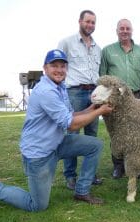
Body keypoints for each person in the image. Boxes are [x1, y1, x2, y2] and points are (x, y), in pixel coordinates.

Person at [0, 49, 113, 211]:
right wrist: (100, 112)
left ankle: (81, 192)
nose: (59, 70)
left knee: (95, 145)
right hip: (39, 154)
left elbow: (71, 115)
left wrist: (92, 107)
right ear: (45, 68)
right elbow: (71, 124)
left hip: (57, 144)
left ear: (66, 69)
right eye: (54, 66)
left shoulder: (60, 87)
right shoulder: (46, 91)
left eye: (62, 66)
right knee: (37, 206)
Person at [99, 19, 140, 179]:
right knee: (117, 133)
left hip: (136, 96)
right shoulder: (107, 51)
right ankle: (118, 165)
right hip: (115, 99)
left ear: (132, 31)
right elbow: (103, 76)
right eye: (121, 28)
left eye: (127, 28)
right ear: (116, 31)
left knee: (139, 132)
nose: (124, 31)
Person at [57, 10, 103, 189]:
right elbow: (58, 68)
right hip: (75, 92)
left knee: (91, 135)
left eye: (93, 22)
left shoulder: (98, 48)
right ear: (80, 22)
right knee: (72, 135)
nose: (90, 25)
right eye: (88, 22)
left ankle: (90, 174)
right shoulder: (67, 43)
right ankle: (70, 176)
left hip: (94, 93)